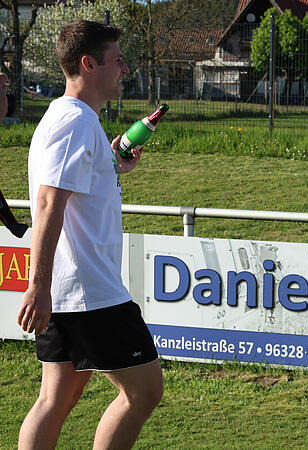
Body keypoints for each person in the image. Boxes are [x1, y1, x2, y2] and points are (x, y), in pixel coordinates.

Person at [17, 20, 163, 450]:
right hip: (88, 291)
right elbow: (48, 203)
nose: (124, 69)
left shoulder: (77, 120)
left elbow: (75, 186)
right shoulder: (74, 121)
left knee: (56, 396)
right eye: (116, 60)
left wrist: (113, 163)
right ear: (88, 64)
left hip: (72, 290)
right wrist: (37, 286)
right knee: (145, 391)